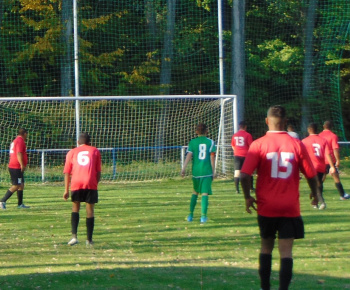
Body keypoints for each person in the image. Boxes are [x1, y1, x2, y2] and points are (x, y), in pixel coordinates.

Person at [240, 105, 320, 290]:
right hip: (289, 207)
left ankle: (265, 287)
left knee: (266, 247)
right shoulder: (297, 144)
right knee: (286, 252)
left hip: (267, 206)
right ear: (285, 122)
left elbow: (244, 175)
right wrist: (315, 194)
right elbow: (311, 175)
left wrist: (247, 197)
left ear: (267, 121)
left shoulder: (259, 144)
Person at [63, 132, 102, 246]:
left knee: (75, 208)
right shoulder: (95, 151)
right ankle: (89, 240)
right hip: (90, 182)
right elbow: (98, 172)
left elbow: (66, 172)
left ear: (78, 142)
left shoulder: (72, 152)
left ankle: (74, 237)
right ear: (90, 142)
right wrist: (95, 183)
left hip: (76, 183)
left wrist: (66, 190)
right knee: (90, 211)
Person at [181, 123, 216, 223]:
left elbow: (189, 155)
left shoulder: (192, 142)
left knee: (195, 192)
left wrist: (183, 168)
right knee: (204, 193)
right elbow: (212, 157)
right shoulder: (210, 142)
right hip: (207, 171)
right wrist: (213, 171)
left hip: (196, 172)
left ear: (196, 131)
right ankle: (203, 217)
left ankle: (190, 215)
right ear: (207, 131)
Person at [302, 123, 336, 209]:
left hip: (310, 166)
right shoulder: (323, 140)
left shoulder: (304, 141)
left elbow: (302, 155)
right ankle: (316, 202)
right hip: (321, 166)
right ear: (317, 130)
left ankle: (321, 202)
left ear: (309, 130)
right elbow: (328, 154)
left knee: (316, 184)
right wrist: (332, 166)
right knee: (318, 184)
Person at [319, 121, 350, 200]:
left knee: (321, 179)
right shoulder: (333, 136)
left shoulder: (319, 135)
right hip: (330, 160)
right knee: (336, 178)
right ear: (331, 127)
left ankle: (317, 196)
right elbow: (335, 149)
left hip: (321, 160)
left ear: (323, 126)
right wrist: (338, 160)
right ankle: (342, 195)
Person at [0, 128, 30, 209]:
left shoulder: (16, 140)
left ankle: (20, 204)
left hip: (15, 166)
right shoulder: (20, 141)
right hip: (16, 166)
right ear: (24, 134)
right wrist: (22, 165)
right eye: (27, 134)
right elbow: (19, 153)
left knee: (21, 185)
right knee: (16, 185)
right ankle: (2, 201)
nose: (27, 136)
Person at [231, 121, 254, 194]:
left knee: (237, 172)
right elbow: (251, 146)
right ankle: (251, 188)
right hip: (246, 155)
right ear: (245, 127)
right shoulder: (247, 135)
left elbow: (233, 145)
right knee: (249, 172)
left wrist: (237, 151)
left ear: (239, 127)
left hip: (237, 155)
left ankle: (237, 190)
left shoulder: (235, 135)